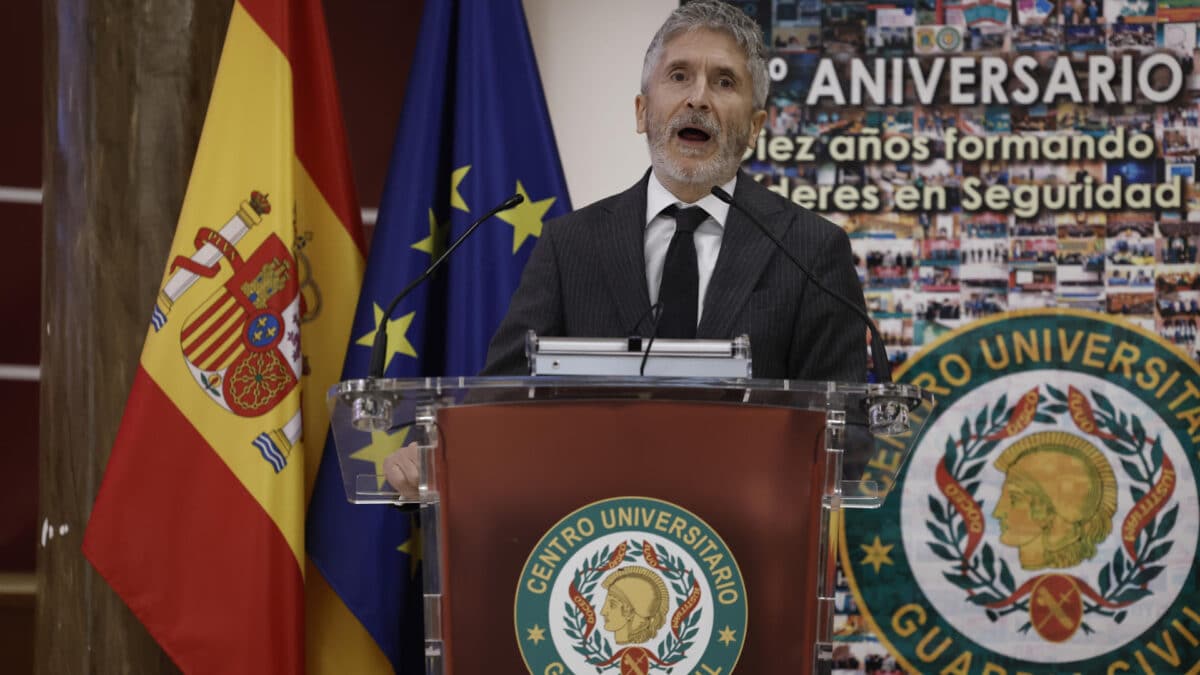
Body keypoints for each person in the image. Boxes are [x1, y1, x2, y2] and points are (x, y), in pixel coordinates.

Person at [384, 0, 867, 492]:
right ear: (642, 111)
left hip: (748, 549)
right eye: (679, 76)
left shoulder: (810, 250)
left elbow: (850, 436)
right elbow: (504, 401)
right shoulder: (571, 243)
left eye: (724, 82)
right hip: (596, 540)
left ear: (756, 127)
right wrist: (439, 456)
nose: (698, 98)